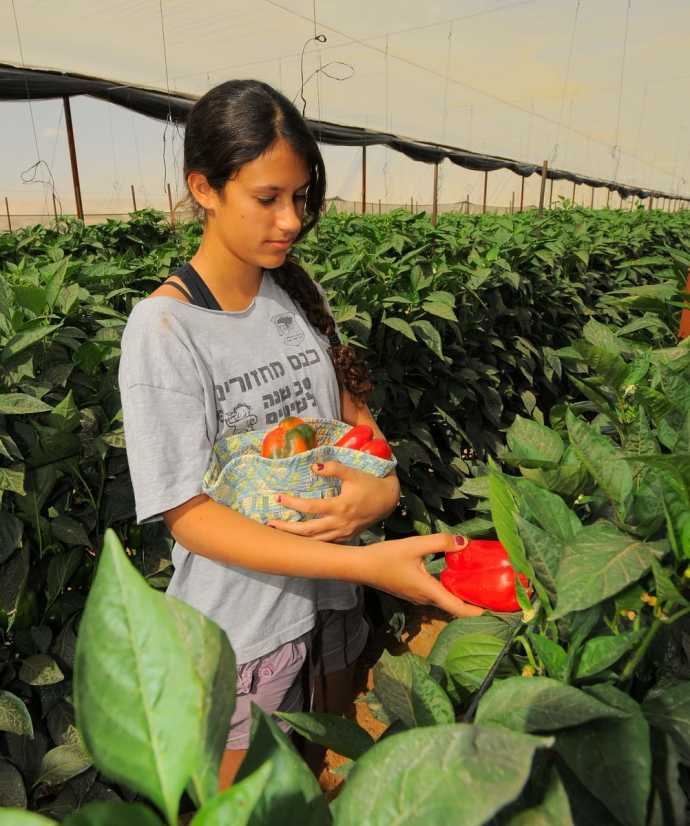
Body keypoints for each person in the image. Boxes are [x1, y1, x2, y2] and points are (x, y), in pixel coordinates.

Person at [118, 78, 482, 790]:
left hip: (327, 607)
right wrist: (367, 564)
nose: (290, 220)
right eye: (267, 198)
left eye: (301, 197)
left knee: (311, 771)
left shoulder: (290, 297)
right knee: (248, 800)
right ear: (205, 187)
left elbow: (360, 430)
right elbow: (187, 515)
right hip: (244, 628)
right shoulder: (164, 329)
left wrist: (382, 494)